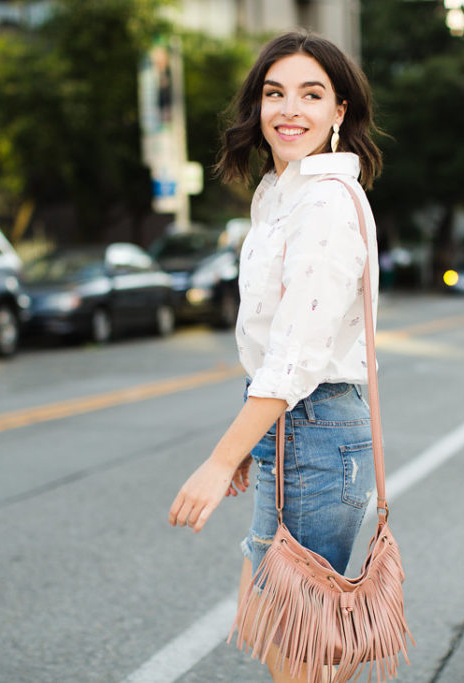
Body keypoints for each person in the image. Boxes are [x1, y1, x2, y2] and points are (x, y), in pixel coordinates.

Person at [168, 29, 383, 681]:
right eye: (274, 93)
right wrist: (256, 441)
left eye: (311, 94)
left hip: (315, 436)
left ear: (340, 110)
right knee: (277, 633)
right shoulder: (279, 194)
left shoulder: (323, 203)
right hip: (289, 429)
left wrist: (219, 459)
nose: (289, 109)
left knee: (296, 655)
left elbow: (293, 357)